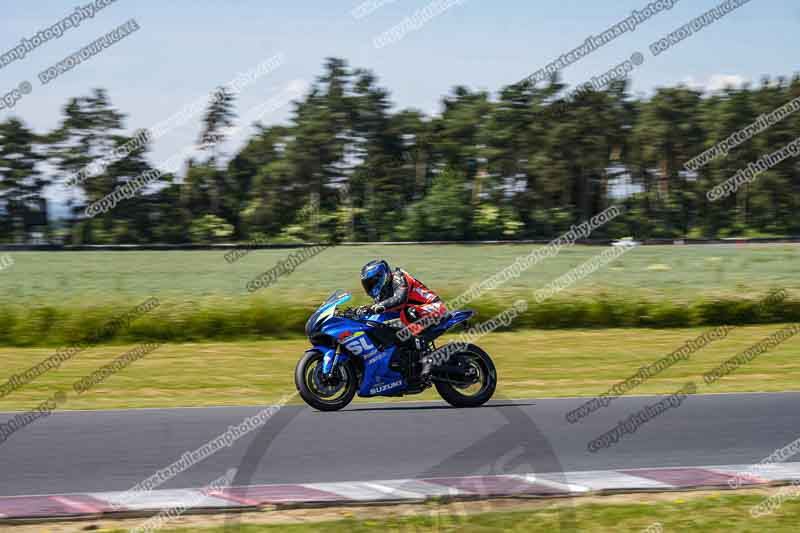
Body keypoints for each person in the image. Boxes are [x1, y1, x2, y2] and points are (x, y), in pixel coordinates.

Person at [358, 259, 447, 377]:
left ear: (381, 277)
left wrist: (377, 307)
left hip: (435, 307)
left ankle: (422, 354)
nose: (369, 288)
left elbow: (400, 299)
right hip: (416, 313)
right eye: (367, 285)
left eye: (371, 283)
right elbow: (383, 311)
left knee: (410, 312)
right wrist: (361, 311)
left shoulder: (399, 277)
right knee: (379, 325)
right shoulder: (383, 292)